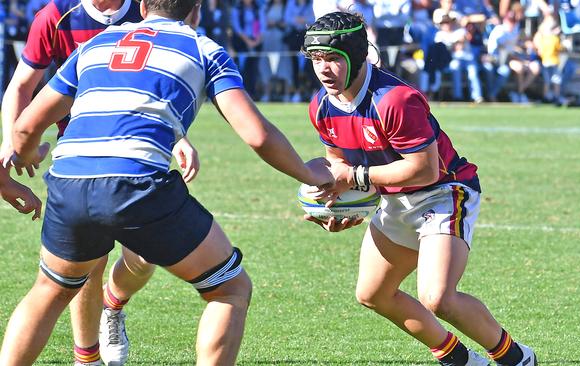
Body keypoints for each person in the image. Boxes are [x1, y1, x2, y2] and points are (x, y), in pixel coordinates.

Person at [0, 0, 334, 365]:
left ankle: (106, 318)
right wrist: (309, 172)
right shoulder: (205, 50)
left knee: (49, 289)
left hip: (69, 179)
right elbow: (256, 134)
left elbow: (26, 126)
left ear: (142, 6)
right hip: (136, 182)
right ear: (197, 12)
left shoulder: (97, 43)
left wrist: (27, 152)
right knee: (230, 288)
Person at [301, 11, 537, 366]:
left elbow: (424, 170)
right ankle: (460, 359)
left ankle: (516, 359)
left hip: (443, 192)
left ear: (357, 55)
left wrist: (356, 179)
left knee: (438, 297)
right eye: (316, 59)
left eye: (333, 58)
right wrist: (344, 206)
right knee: (373, 294)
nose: (323, 69)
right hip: (396, 200)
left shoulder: (395, 99)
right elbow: (339, 165)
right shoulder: (321, 106)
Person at [0, 0, 197, 364]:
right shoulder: (55, 16)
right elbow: (21, 86)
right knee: (87, 265)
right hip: (82, 151)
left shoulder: (147, 9)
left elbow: (168, 79)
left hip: (139, 148)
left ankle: (114, 305)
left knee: (144, 257)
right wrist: (12, 141)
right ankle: (86, 356)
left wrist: (180, 137)